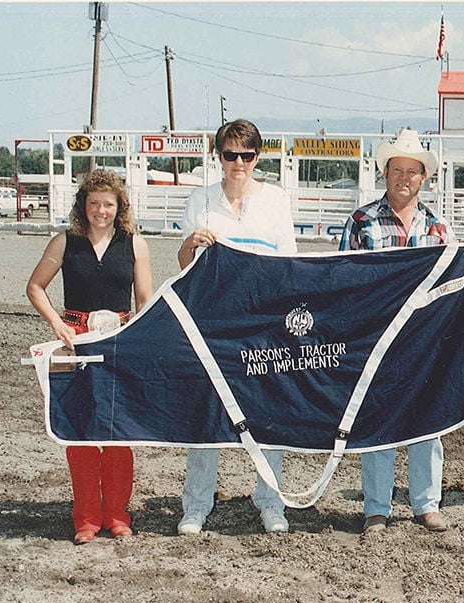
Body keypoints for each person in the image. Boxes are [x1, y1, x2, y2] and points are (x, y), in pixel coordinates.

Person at [339, 128, 464, 535]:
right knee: (376, 421)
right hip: (376, 340)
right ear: (385, 173)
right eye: (397, 169)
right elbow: (341, 281)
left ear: (424, 177)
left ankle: (426, 502)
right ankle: (377, 507)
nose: (404, 178)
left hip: (424, 342)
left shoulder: (440, 229)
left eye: (412, 171)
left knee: (428, 419)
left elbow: (453, 287)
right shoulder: (360, 223)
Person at [176, 119, 298, 535]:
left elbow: (288, 267)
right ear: (219, 157)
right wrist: (190, 246)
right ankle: (196, 504)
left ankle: (270, 501)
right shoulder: (200, 201)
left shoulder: (277, 201)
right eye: (230, 155)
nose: (238, 163)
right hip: (214, 325)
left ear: (257, 158)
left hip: (264, 325)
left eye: (247, 155)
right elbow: (185, 267)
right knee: (206, 414)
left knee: (268, 415)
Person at [26, 169, 153, 544]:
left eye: (108, 204)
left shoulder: (135, 245)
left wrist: (137, 341)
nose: (101, 210)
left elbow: (144, 301)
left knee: (117, 434)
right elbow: (35, 287)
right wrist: (57, 325)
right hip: (74, 343)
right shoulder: (64, 242)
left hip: (118, 342)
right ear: (83, 205)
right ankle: (85, 518)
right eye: (94, 203)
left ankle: (116, 515)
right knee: (79, 434)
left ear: (120, 207)